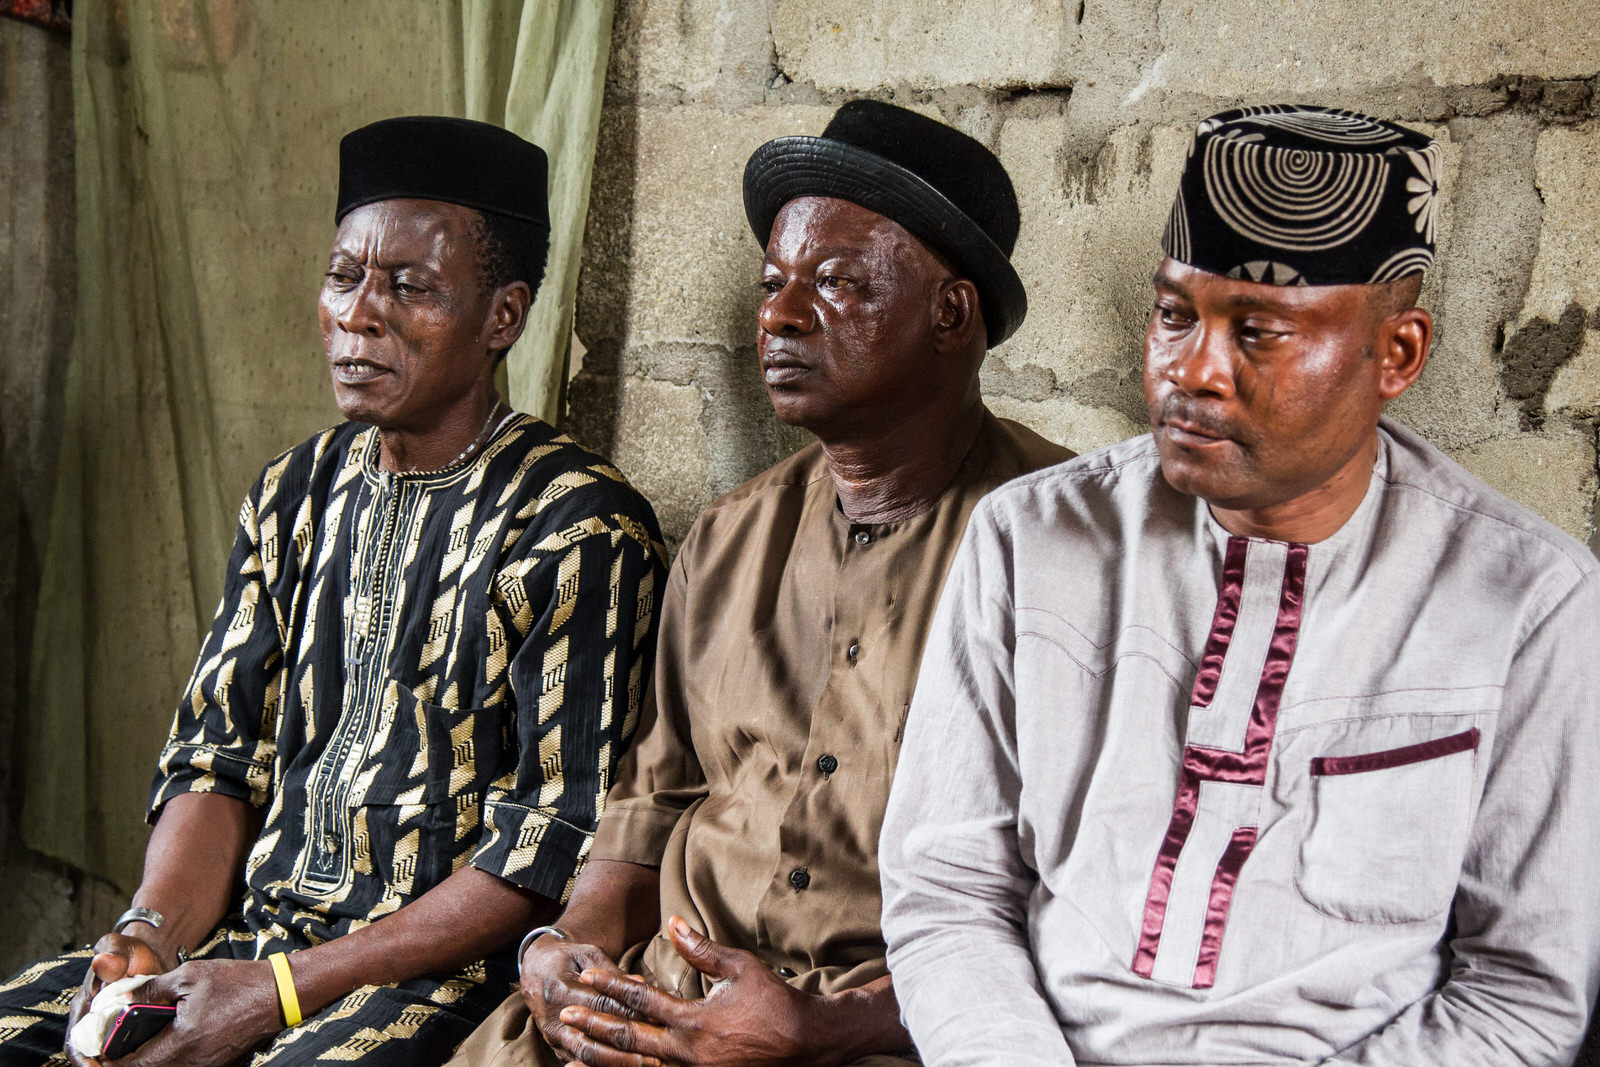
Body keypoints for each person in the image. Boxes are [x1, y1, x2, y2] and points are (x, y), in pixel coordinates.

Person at [879, 104, 1600, 1066]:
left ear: (1398, 355)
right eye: (1175, 314)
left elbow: (1522, 991)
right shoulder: (1029, 539)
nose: (1194, 371)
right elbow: (947, 891)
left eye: (1260, 332)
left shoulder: (1530, 602)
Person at [0, 116, 667, 1067]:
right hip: (246, 940)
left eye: (410, 287)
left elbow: (545, 850)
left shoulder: (578, 528)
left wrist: (278, 993)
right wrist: (152, 931)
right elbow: (216, 760)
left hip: (439, 977)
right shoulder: (294, 492)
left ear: (504, 318)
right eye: (344, 276)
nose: (359, 314)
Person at [448, 100, 1072, 1067]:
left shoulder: (1061, 545)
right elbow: (651, 804)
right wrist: (570, 948)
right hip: (659, 1000)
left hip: (884, 1033)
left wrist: (824, 1028)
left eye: (835, 284)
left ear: (951, 314)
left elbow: (1082, 912)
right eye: (772, 282)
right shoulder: (729, 537)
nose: (779, 316)